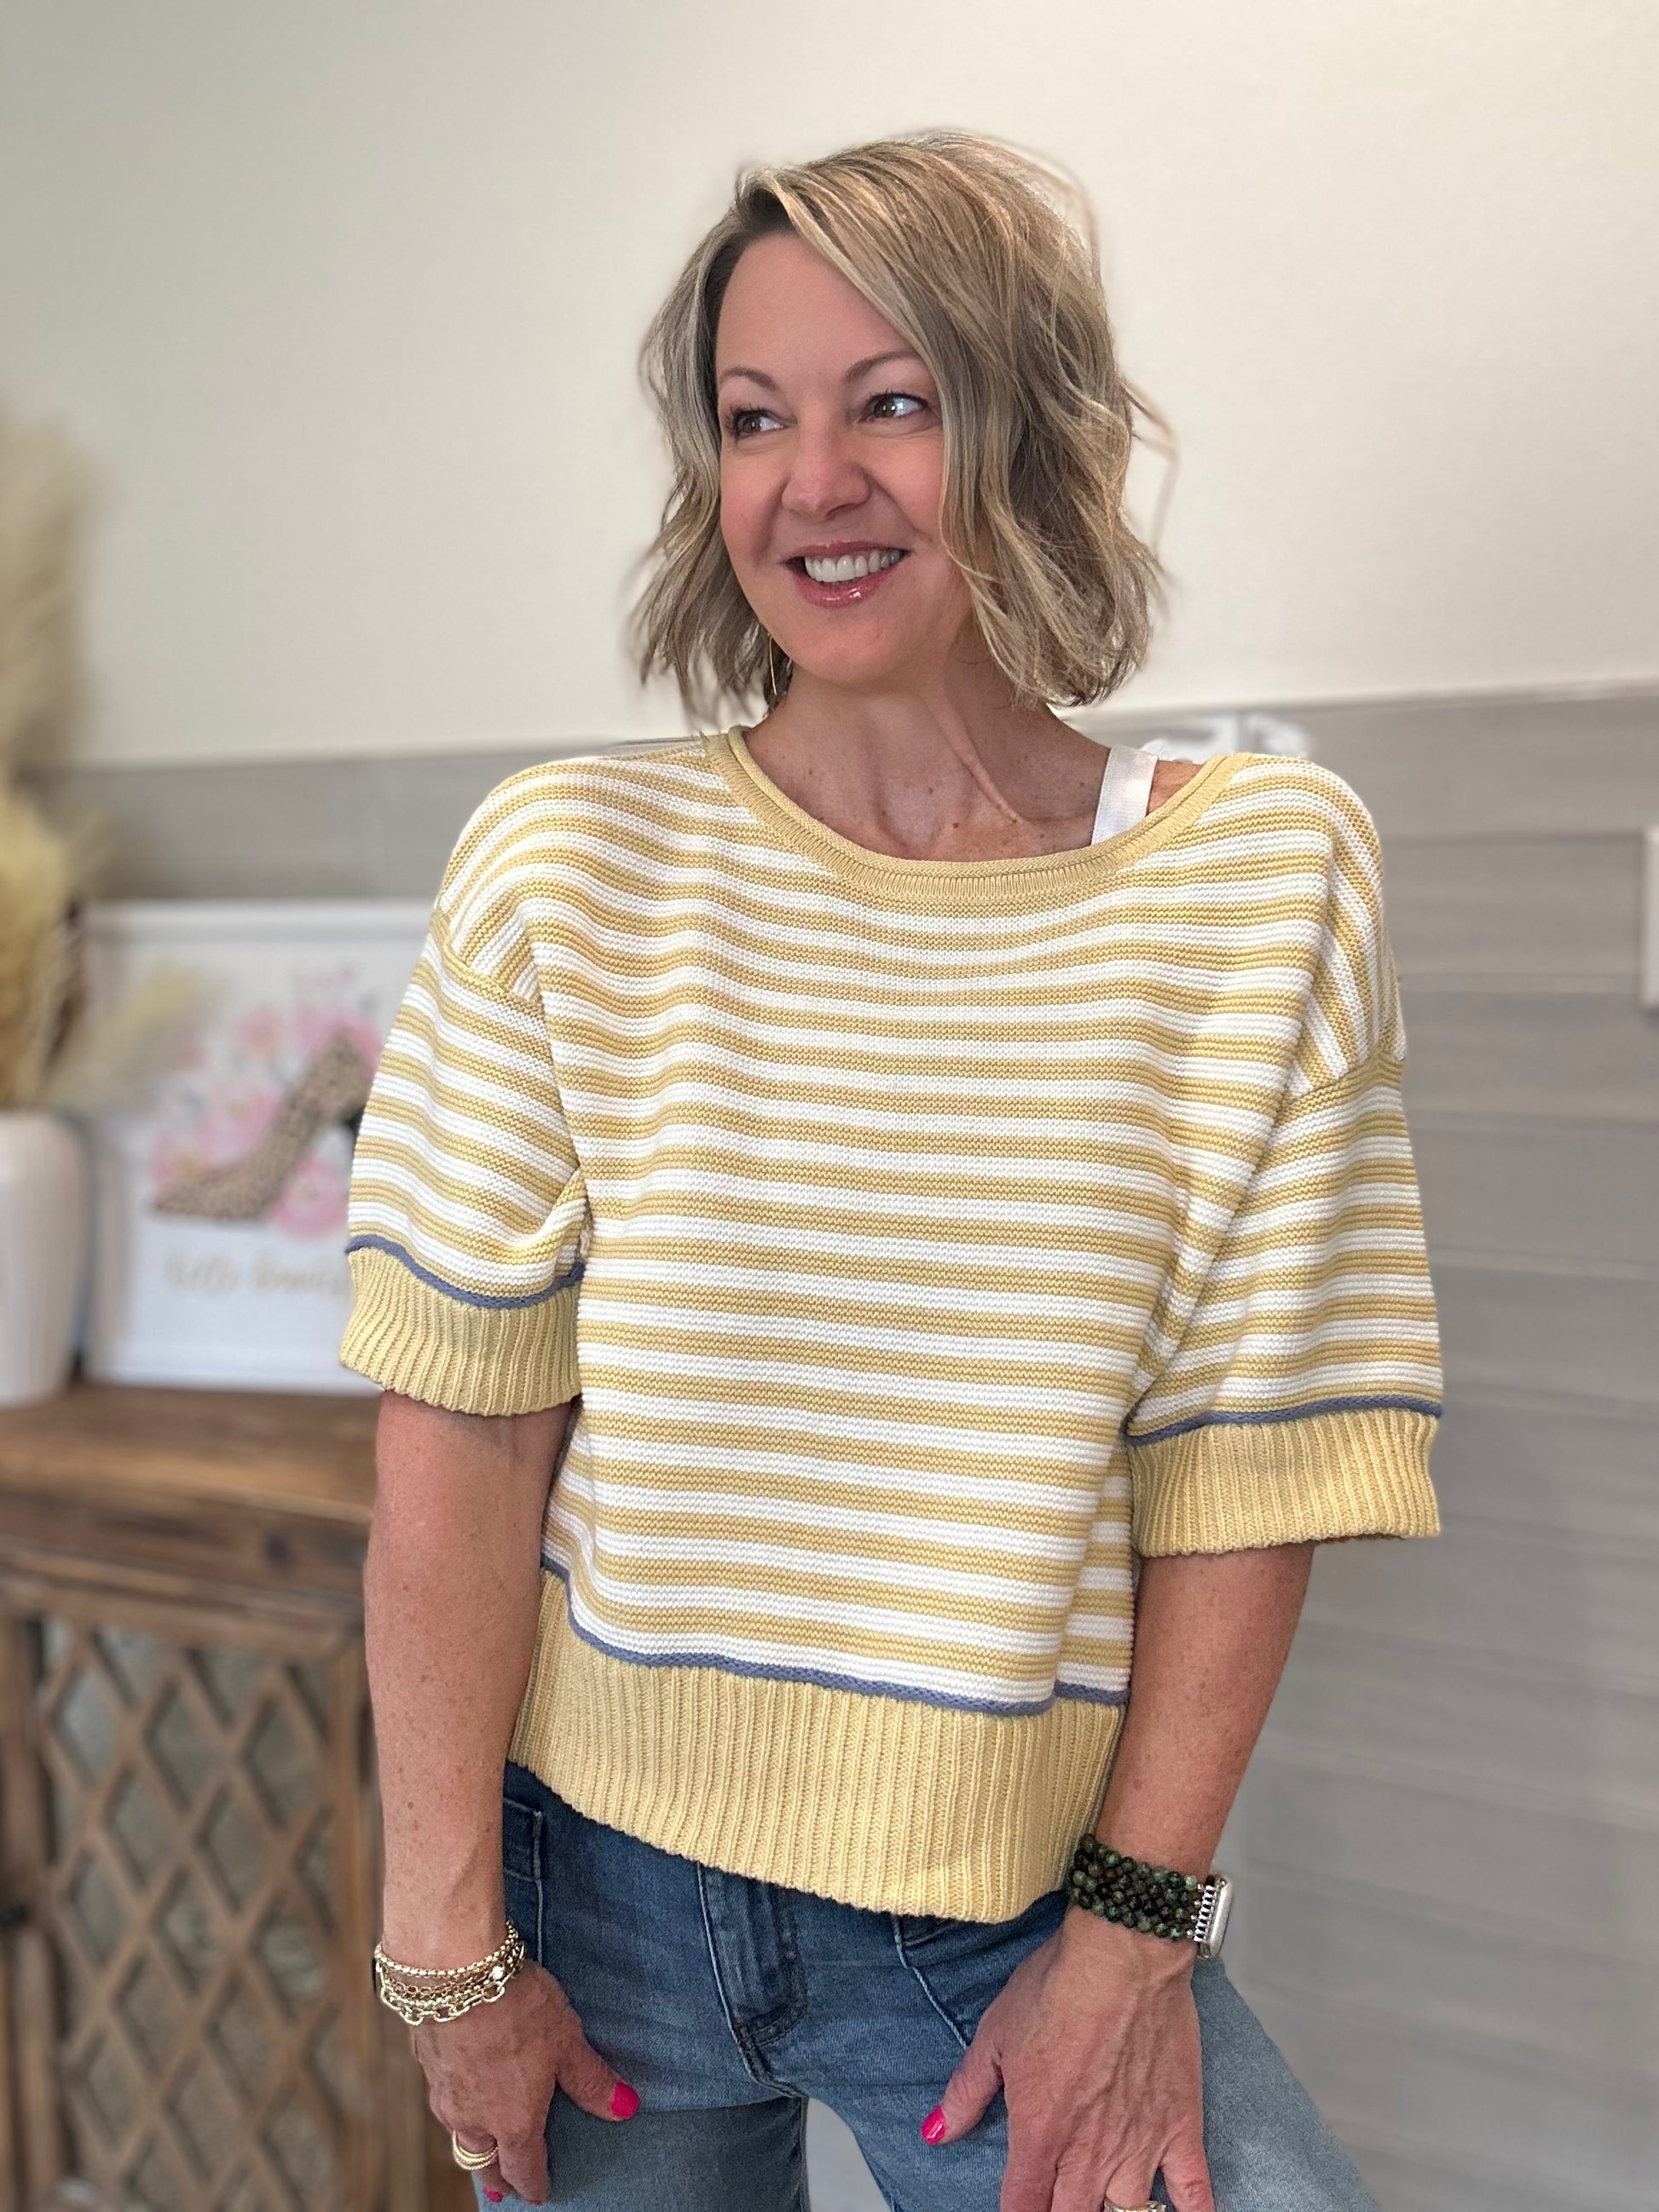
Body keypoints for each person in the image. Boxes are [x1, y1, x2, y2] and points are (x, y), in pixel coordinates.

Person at [342, 132, 1442, 2212]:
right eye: (755, 419)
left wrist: (1132, 1937)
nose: (812, 482)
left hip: (1002, 1912)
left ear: (1030, 428)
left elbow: (1254, 1459)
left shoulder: (1258, 881)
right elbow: (461, 1437)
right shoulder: (569, 869)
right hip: (590, 1895)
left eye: (894, 403)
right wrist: (444, 1950)